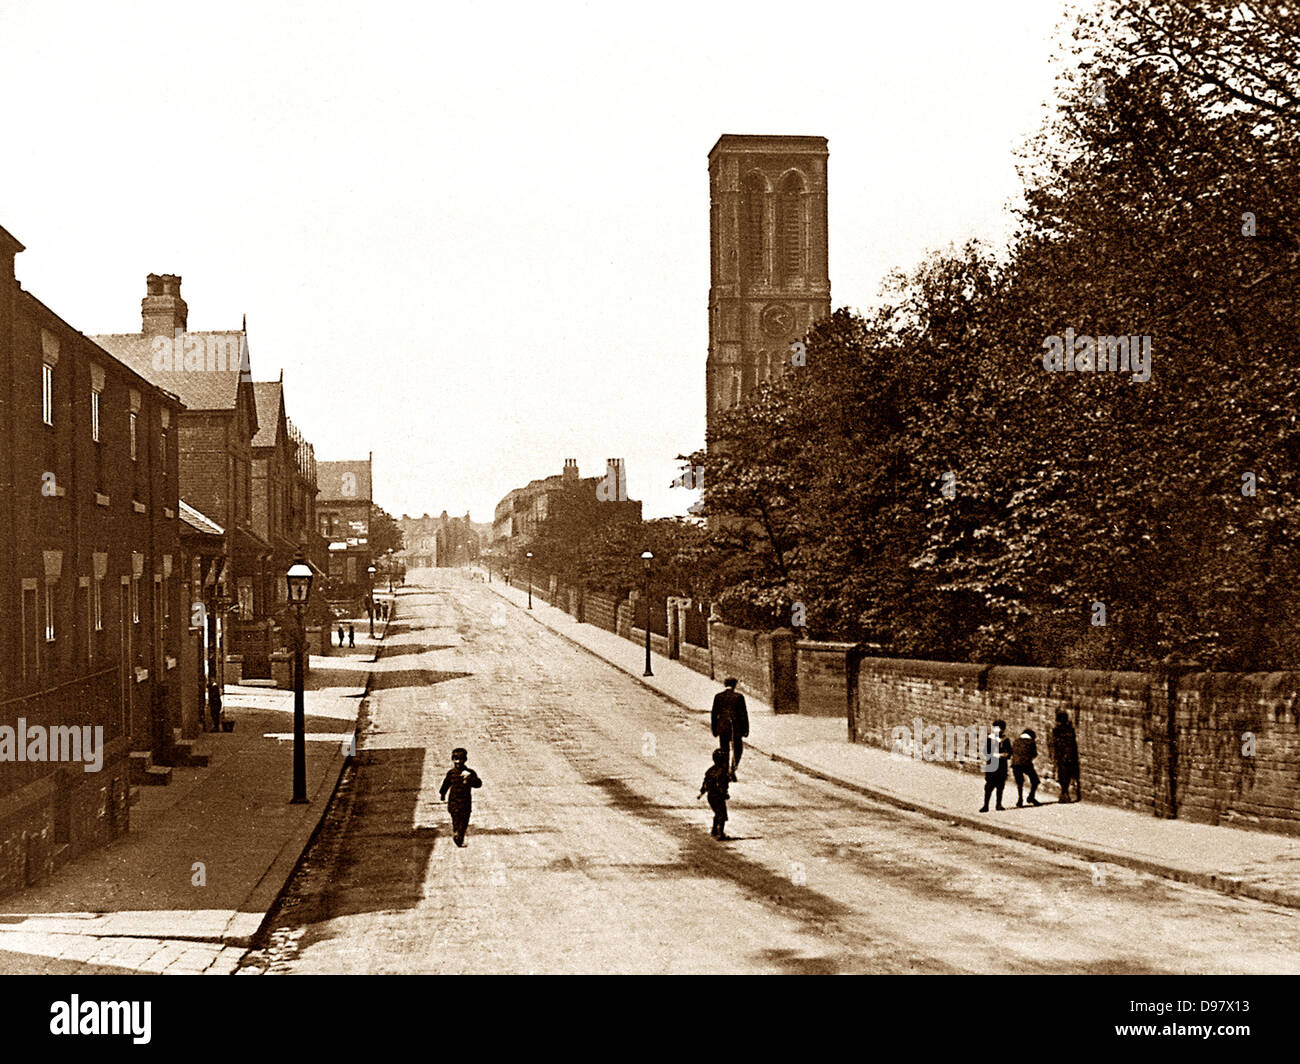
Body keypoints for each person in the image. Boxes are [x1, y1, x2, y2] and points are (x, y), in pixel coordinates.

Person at [439, 747, 482, 846]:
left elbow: (478, 784)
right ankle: (457, 834)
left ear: (465, 760)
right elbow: (446, 784)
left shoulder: (469, 772)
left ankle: (459, 836)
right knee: (456, 819)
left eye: (461, 759)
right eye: (456, 759)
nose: (458, 762)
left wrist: (470, 779)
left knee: (464, 820)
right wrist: (442, 793)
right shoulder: (451, 773)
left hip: (465, 801)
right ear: (453, 760)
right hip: (453, 801)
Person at [711, 677, 749, 782]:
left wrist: (714, 729)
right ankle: (732, 770)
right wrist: (745, 730)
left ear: (725, 685)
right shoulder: (739, 697)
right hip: (735, 728)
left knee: (724, 750)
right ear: (735, 685)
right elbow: (743, 715)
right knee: (738, 750)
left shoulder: (718, 697)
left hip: (722, 728)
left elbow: (714, 714)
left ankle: (724, 772)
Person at [699, 749, 731, 840]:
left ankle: (714, 830)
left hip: (710, 796)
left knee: (717, 813)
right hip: (718, 795)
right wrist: (724, 793)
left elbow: (705, 782)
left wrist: (702, 791)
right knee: (722, 814)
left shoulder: (710, 770)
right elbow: (722, 784)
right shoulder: (722, 772)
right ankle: (720, 833)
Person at [980, 719, 1012, 812]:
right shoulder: (990, 739)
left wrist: (1003, 755)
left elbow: (1009, 753)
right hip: (991, 765)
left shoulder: (1006, 740)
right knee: (989, 786)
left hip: (1001, 766)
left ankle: (998, 804)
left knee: (1000, 785)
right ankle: (986, 805)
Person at [1050, 710, 1081, 803]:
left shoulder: (1059, 731)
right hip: (1065, 756)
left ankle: (1064, 793)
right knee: (1064, 775)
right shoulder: (1068, 730)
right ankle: (1064, 793)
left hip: (1064, 756)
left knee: (1063, 775)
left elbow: (1059, 744)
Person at [1010, 727, 1041, 807]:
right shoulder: (1031, 742)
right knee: (1035, 780)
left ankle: (1020, 800)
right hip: (1026, 764)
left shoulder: (1016, 741)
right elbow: (1034, 754)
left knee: (1019, 783)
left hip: (1015, 764)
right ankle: (1031, 797)